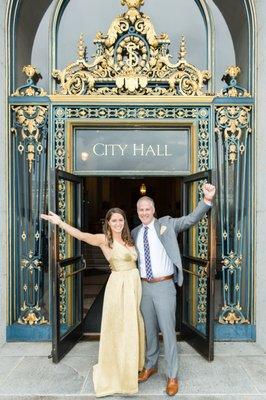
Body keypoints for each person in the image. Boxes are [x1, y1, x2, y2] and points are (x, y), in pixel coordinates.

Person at [41, 208, 145, 397]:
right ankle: (118, 370)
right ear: (108, 222)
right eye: (113, 221)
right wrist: (60, 222)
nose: (117, 223)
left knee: (132, 323)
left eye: (120, 220)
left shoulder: (129, 239)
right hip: (118, 286)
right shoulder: (104, 239)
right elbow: (81, 235)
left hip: (133, 285)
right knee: (119, 326)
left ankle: (131, 364)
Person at [131, 183, 216, 396]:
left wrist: (206, 201)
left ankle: (172, 375)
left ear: (153, 210)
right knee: (149, 330)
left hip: (164, 285)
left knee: (168, 331)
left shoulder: (167, 224)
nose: (144, 213)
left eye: (147, 209)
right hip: (144, 287)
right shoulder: (134, 232)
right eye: (141, 210)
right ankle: (151, 365)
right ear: (138, 212)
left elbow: (190, 219)